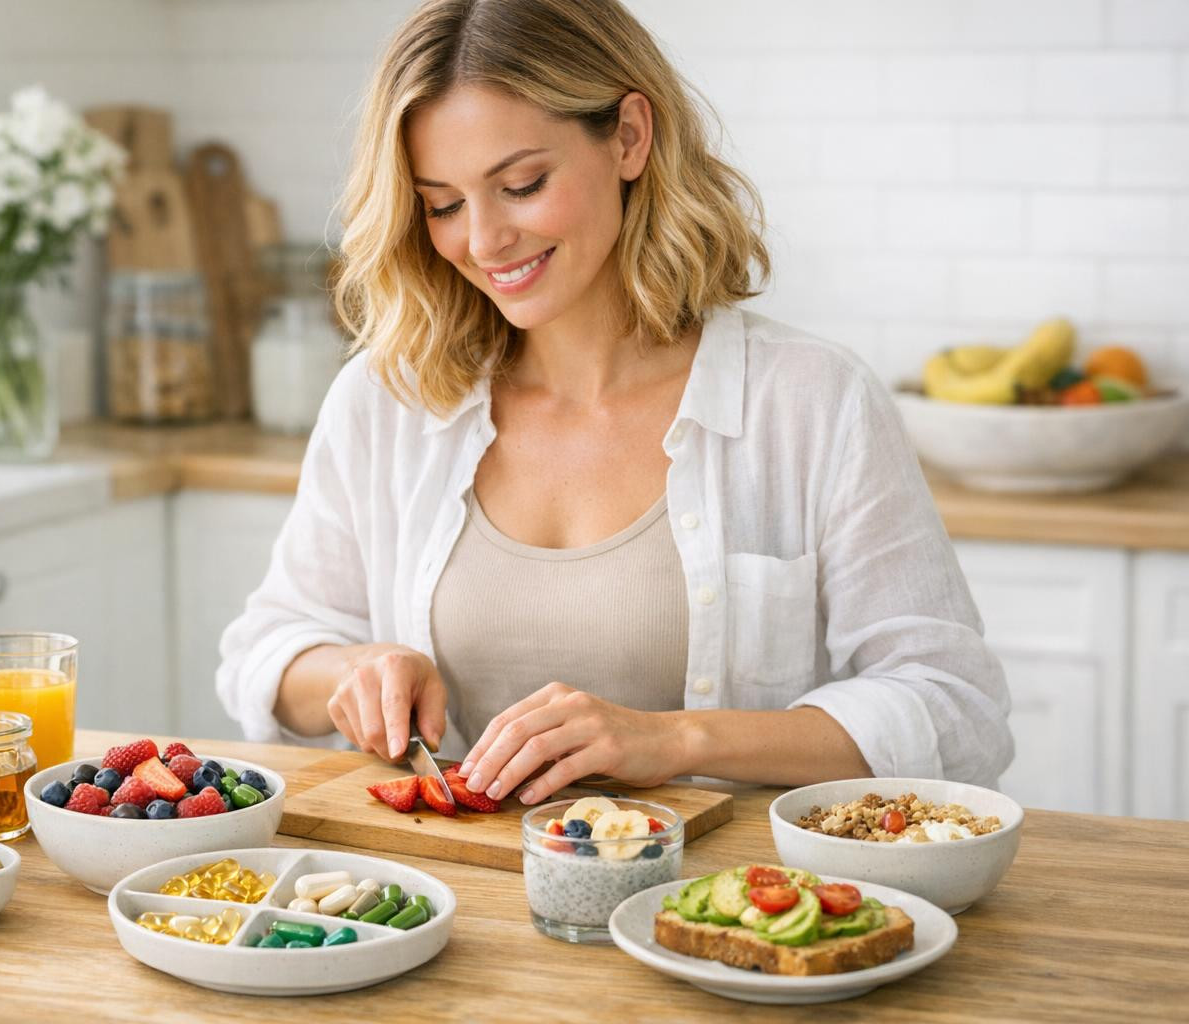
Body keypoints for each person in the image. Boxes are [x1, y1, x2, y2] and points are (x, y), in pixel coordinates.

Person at [216, 0, 1014, 801]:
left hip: (724, 913)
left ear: (630, 136)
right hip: (449, 907)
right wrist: (352, 671)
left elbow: (954, 708)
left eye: (521, 184)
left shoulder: (810, 401)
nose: (486, 240)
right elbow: (267, 651)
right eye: (444, 205)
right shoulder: (388, 398)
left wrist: (674, 738)